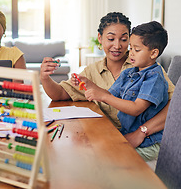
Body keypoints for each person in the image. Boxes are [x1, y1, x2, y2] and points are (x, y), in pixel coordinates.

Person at [40, 12, 175, 149]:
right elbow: (60, 94)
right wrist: (45, 77)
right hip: (109, 135)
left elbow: (175, 104)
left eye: (123, 39)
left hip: (141, 139)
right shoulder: (95, 71)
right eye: (111, 39)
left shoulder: (147, 69)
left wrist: (141, 132)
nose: (117, 46)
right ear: (100, 38)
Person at [75, 21, 168, 161]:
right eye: (130, 48)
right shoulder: (129, 73)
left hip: (150, 142)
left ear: (154, 53)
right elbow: (109, 95)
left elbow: (136, 108)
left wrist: (103, 97)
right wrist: (90, 85)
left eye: (136, 50)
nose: (131, 53)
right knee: (91, 147)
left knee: (107, 158)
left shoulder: (154, 78)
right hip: (126, 132)